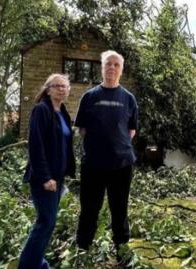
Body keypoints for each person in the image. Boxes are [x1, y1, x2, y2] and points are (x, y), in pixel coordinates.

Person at [75, 50, 138, 256]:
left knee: (119, 210)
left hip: (122, 165)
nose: (111, 67)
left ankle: (122, 251)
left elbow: (131, 129)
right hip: (93, 165)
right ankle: (82, 250)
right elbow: (82, 128)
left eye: (116, 65)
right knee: (89, 210)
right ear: (102, 68)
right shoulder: (89, 97)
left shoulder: (129, 99)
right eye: (108, 64)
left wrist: (117, 146)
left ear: (121, 70)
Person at [18, 74, 75, 269]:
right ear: (48, 89)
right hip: (45, 178)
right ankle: (28, 266)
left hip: (57, 177)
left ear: (68, 90)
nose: (61, 89)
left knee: (48, 223)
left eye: (64, 86)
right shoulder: (41, 109)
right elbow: (36, 145)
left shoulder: (63, 112)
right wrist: (45, 177)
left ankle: (39, 264)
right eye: (56, 86)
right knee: (46, 222)